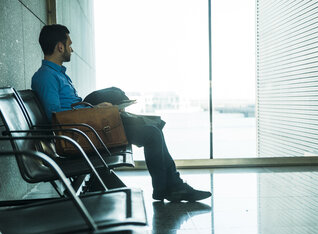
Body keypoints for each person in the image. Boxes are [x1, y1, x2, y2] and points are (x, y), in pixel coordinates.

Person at [31, 24, 211, 202]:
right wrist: (93, 111)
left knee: (153, 128)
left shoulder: (58, 74)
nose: (72, 49)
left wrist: (97, 110)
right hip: (80, 137)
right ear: (60, 46)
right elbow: (55, 116)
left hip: (86, 131)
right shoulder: (46, 77)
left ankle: (171, 186)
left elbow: (68, 109)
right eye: (69, 44)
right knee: (152, 133)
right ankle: (170, 187)